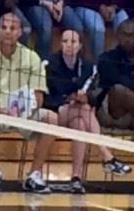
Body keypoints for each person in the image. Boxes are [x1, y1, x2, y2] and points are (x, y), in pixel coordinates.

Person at [0, 12, 58, 193]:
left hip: (24, 112)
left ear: (20, 33)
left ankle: (34, 175)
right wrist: (2, 110)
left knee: (52, 119)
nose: (8, 32)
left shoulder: (32, 58)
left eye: (12, 28)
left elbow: (39, 94)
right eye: (4, 28)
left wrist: (27, 110)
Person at [45, 29, 131, 192]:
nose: (68, 45)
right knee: (83, 110)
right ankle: (106, 155)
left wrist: (86, 98)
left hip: (78, 113)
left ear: (80, 45)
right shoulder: (51, 64)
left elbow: (93, 94)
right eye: (64, 41)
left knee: (80, 124)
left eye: (73, 42)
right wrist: (73, 96)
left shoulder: (88, 66)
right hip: (55, 113)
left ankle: (76, 178)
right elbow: (54, 94)